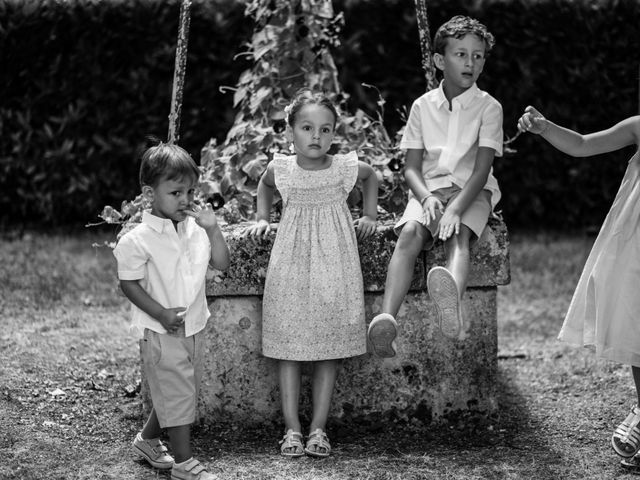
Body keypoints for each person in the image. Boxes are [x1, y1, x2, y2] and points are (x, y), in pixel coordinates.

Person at [245, 88, 378, 458]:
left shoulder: (341, 168)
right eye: (306, 128)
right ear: (291, 131)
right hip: (290, 266)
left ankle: (319, 428)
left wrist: (369, 214)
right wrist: (262, 218)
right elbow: (265, 186)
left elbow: (370, 177)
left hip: (334, 268)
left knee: (327, 350)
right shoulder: (283, 169)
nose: (316, 137)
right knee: (288, 347)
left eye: (324, 129)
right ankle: (292, 429)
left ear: (334, 132)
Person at [367, 15, 503, 357]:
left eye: (478, 55)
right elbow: (411, 169)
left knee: (459, 237)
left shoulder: (489, 107)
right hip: (430, 189)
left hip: (473, 190)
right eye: (461, 54)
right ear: (440, 61)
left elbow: (483, 168)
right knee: (410, 233)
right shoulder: (422, 107)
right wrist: (426, 198)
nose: (470, 62)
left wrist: (455, 209)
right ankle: (386, 320)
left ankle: (450, 302)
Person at [517, 106, 640, 463]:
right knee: (634, 329)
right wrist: (545, 127)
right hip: (635, 248)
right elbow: (583, 144)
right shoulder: (638, 126)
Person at [113, 141, 230, 480]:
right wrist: (162, 313)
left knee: (180, 390)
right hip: (161, 331)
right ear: (150, 193)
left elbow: (222, 264)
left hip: (193, 326)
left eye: (190, 192)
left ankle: (148, 440)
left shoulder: (195, 230)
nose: (186, 200)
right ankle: (184, 462)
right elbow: (129, 284)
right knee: (178, 392)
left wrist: (213, 228)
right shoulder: (137, 240)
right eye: (176, 192)